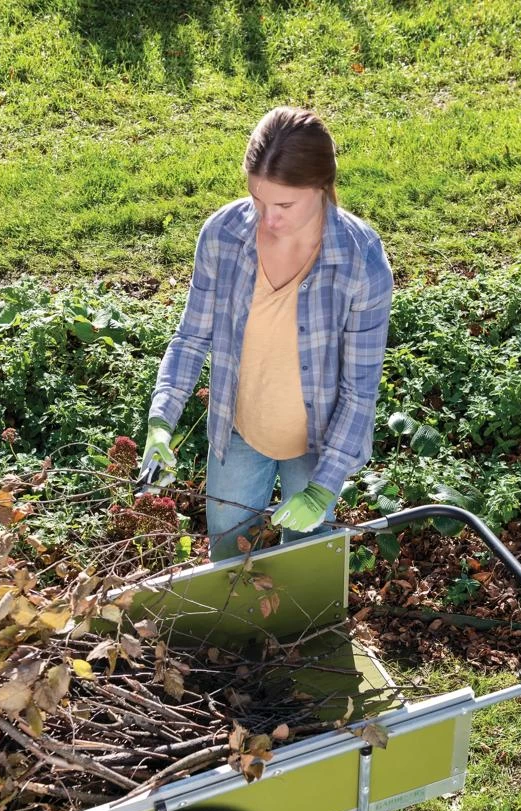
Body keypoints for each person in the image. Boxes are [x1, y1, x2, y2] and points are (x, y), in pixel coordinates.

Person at [141, 106, 393, 561]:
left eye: (284, 205)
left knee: (307, 568)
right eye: (258, 200)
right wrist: (162, 420)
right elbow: (191, 338)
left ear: (321, 188)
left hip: (317, 446)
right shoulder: (222, 235)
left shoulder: (361, 261)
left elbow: (360, 392)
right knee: (228, 560)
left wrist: (322, 488)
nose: (267, 219)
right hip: (239, 432)